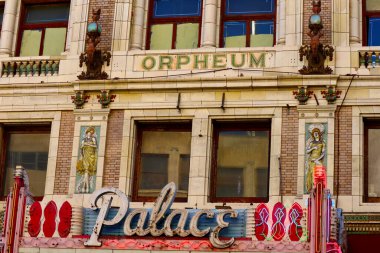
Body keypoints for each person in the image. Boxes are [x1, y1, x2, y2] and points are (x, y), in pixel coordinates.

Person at [76, 126, 98, 193]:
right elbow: (81, 147)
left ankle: (84, 187)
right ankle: (86, 187)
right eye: (89, 132)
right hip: (85, 155)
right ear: (87, 132)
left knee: (87, 172)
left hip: (91, 156)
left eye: (91, 133)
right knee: (86, 171)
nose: (90, 134)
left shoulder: (93, 139)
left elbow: (95, 146)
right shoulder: (83, 139)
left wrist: (88, 144)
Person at [305, 127, 326, 192]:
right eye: (314, 134)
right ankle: (312, 188)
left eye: (316, 133)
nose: (315, 135)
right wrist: (313, 148)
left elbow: (323, 153)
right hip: (311, 160)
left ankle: (319, 187)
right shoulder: (311, 143)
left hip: (318, 160)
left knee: (319, 173)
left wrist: (317, 159)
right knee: (311, 173)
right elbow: (307, 151)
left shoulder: (322, 143)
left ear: (319, 134)